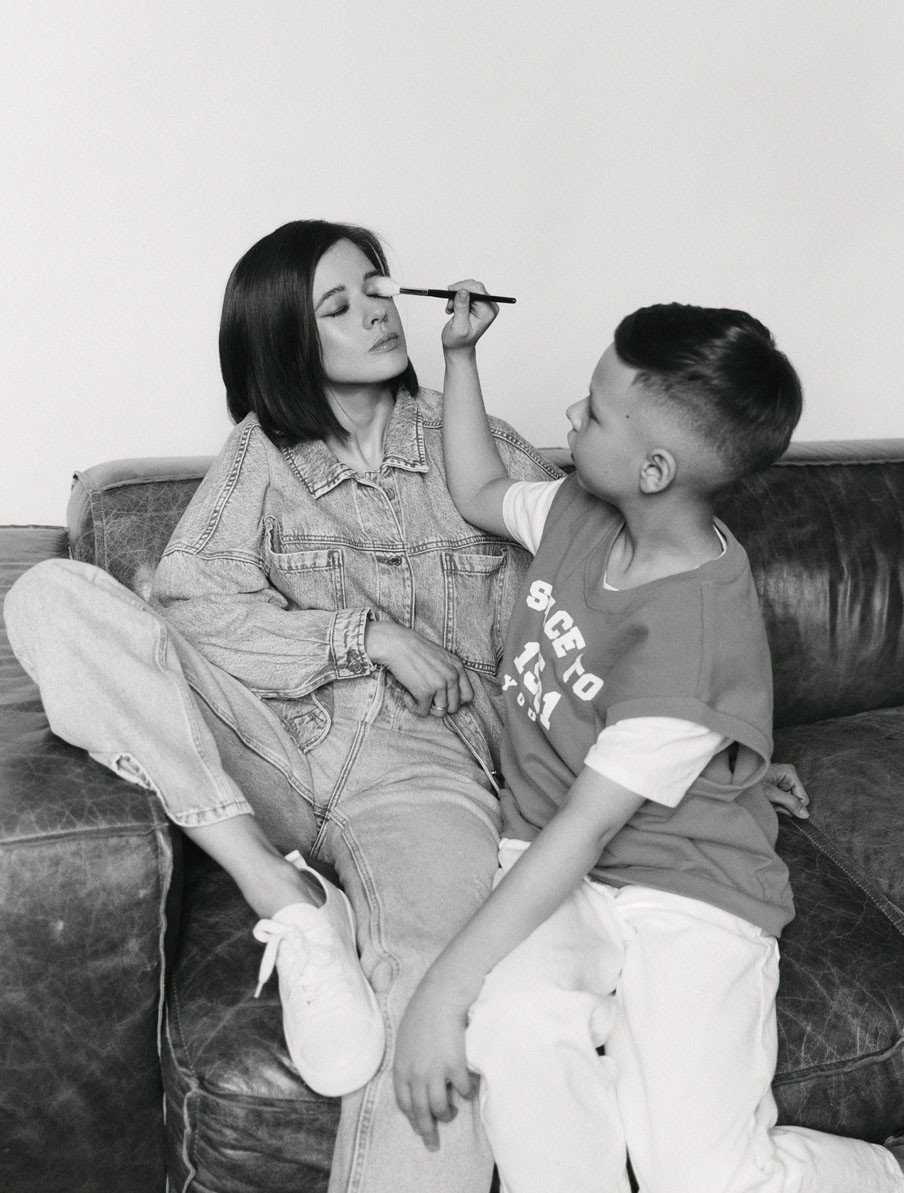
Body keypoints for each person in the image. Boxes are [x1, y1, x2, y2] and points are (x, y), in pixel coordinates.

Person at [3, 221, 809, 1193]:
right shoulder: (258, 455)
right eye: (338, 306)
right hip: (269, 740)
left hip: (423, 775)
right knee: (50, 596)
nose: (378, 312)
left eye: (378, 288)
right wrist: (365, 636)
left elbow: (613, 611)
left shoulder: (487, 449)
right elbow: (188, 605)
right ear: (286, 340)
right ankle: (281, 892)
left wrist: (720, 752)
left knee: (441, 984)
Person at [392, 286, 904, 1193]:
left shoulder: (695, 636)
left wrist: (439, 991)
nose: (569, 415)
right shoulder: (579, 512)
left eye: (593, 412)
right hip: (553, 856)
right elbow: (476, 491)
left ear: (655, 469)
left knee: (701, 1176)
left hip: (688, 881)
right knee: (513, 1024)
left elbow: (589, 827)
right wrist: (461, 358)